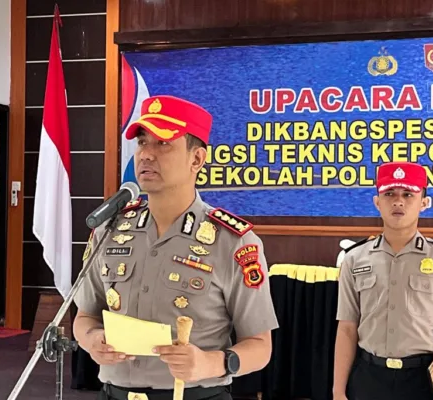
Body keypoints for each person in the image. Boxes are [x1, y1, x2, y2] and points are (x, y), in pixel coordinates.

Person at [73, 95, 279, 400]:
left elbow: (260, 347)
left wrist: (210, 363)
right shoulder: (110, 230)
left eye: (163, 144)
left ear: (196, 159)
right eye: (142, 142)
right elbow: (84, 317)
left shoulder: (233, 241)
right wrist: (93, 340)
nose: (146, 154)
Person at [332, 161, 433, 400]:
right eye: (389, 194)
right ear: (377, 202)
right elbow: (346, 328)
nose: (398, 201)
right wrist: (338, 391)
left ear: (424, 203)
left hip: (421, 381)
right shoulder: (354, 258)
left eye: (408, 194)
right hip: (368, 377)